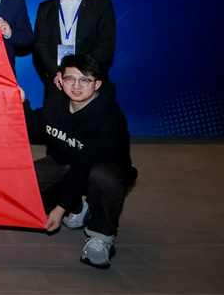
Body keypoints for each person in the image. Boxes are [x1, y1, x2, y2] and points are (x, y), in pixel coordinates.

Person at [20, 54, 137, 269]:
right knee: (22, 185)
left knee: (101, 178)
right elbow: (35, 126)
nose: (76, 86)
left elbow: (83, 167)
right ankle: (80, 205)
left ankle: (101, 236)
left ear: (97, 84)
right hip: (64, 163)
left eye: (85, 80)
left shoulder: (108, 118)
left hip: (102, 170)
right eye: (70, 79)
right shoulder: (57, 102)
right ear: (60, 79)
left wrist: (60, 209)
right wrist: (21, 102)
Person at [33, 0, 116, 101]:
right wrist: (58, 74)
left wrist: (78, 74)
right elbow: (40, 45)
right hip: (57, 82)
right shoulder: (45, 8)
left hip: (90, 81)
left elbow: (106, 44)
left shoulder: (102, 5)